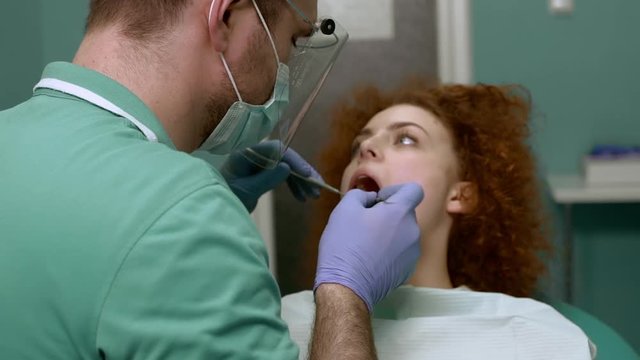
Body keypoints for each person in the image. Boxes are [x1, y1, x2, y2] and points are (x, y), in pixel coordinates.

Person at [0, 1, 424, 359]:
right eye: (293, 41)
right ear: (226, 17)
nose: (288, 65)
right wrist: (345, 289)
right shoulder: (184, 216)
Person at [282, 80, 597, 359]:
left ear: (460, 195)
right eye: (357, 145)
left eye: (406, 139)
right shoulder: (279, 317)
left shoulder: (533, 332)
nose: (366, 147)